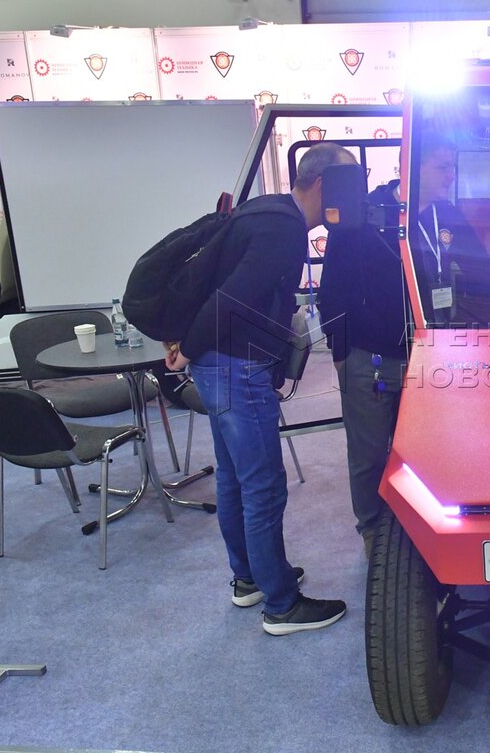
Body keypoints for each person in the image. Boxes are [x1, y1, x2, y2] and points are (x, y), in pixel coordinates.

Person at [166, 142, 352, 636]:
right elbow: (232, 299)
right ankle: (282, 605)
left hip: (218, 363)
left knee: (234, 477)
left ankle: (250, 577)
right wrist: (188, 347)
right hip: (235, 365)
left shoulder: (267, 211)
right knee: (264, 485)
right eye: (348, 182)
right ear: (322, 183)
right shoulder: (282, 229)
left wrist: (192, 347)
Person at [318, 135, 490, 556]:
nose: (449, 175)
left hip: (433, 358)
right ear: (409, 162)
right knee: (370, 452)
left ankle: (420, 531)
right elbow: (333, 291)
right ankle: (371, 530)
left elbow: (483, 271)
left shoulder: (445, 214)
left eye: (452, 166)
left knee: (427, 450)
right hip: (371, 355)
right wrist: (340, 353)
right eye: (441, 166)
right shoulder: (363, 214)